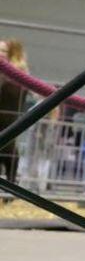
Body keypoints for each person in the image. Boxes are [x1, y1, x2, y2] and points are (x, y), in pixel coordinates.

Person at [0, 39, 28, 183]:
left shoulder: (14, 71)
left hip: (7, 119)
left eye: (4, 51)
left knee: (9, 150)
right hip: (8, 119)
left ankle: (10, 184)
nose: (1, 54)